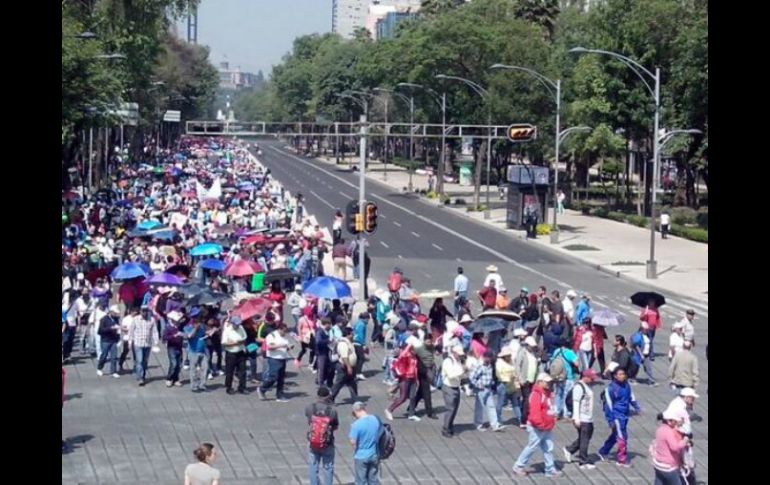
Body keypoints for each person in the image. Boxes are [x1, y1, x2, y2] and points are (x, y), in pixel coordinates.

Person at [512, 373, 562, 477]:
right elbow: (534, 413)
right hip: (537, 427)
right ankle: (518, 466)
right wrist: (540, 424)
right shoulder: (536, 394)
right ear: (540, 382)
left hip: (546, 426)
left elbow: (549, 409)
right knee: (532, 447)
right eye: (547, 382)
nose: (549, 383)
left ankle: (550, 469)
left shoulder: (546, 393)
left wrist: (551, 420)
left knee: (548, 448)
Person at [598, 367, 641, 466]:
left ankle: (603, 451)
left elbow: (631, 397)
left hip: (625, 415)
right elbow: (608, 406)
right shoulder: (610, 389)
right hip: (616, 416)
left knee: (615, 435)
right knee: (622, 437)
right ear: (615, 376)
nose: (622, 376)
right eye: (620, 374)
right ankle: (622, 459)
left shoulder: (626, 385)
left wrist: (637, 407)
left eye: (623, 374)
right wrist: (610, 420)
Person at [563, 369, 599, 470]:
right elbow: (576, 402)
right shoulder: (579, 387)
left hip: (588, 417)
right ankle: (583, 461)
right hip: (582, 417)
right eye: (591, 378)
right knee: (584, 439)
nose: (593, 380)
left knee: (586, 437)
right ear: (585, 377)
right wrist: (576, 418)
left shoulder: (587, 386)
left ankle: (570, 449)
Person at [305, 386, 339, 485]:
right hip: (327, 442)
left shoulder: (310, 407)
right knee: (328, 466)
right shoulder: (332, 410)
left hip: (313, 440)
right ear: (327, 396)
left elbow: (308, 419)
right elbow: (335, 426)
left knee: (313, 465)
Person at [652, 409, 690, 485]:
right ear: (669, 421)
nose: (676, 423)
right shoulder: (668, 432)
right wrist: (685, 440)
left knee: (659, 482)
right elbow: (675, 447)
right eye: (674, 421)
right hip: (668, 467)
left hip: (658, 464)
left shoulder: (660, 429)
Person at [470, 349, 505, 432]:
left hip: (488, 388)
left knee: (491, 406)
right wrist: (478, 385)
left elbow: (490, 375)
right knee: (480, 407)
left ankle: (495, 424)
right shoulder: (479, 366)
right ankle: (478, 423)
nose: (491, 360)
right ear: (485, 357)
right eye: (489, 358)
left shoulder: (490, 365)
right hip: (481, 389)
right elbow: (472, 377)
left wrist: (492, 383)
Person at [259, 323, 294, 402]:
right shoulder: (271, 336)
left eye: (286, 331)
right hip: (274, 359)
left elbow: (285, 347)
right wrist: (282, 345)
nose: (285, 333)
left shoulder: (284, 337)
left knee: (281, 378)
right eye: (284, 331)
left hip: (282, 358)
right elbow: (270, 347)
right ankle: (262, 389)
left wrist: (288, 347)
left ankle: (279, 395)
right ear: (279, 329)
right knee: (273, 376)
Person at [349, 401, 381, 485]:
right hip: (374, 454)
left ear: (356, 411)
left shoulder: (356, 425)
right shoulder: (375, 419)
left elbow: (353, 442)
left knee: (361, 481)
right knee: (373, 479)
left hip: (361, 455)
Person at [128, 304, 159, 386]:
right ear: (140, 311)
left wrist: (156, 342)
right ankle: (140, 377)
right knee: (139, 360)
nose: (144, 313)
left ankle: (143, 374)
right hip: (138, 343)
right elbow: (131, 331)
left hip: (147, 344)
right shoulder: (135, 319)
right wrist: (129, 342)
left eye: (146, 311)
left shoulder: (151, 320)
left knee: (145, 361)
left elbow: (155, 331)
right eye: (143, 311)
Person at [441, 344, 467, 437]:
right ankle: (446, 429)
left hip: (456, 386)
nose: (460, 355)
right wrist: (462, 372)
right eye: (458, 354)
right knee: (450, 409)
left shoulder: (458, 361)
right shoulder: (448, 361)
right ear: (453, 352)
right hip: (449, 387)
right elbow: (451, 375)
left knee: (455, 409)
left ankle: (450, 426)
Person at [330, 327, 359, 404]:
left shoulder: (349, 342)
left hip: (350, 366)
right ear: (348, 334)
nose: (353, 335)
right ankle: (330, 398)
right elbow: (344, 356)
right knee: (339, 383)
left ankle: (355, 398)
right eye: (352, 333)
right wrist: (349, 367)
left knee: (352, 382)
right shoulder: (343, 344)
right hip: (344, 367)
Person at [515, 336, 540, 428]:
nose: (532, 347)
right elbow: (517, 366)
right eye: (531, 346)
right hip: (525, 380)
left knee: (530, 399)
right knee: (526, 400)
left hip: (532, 379)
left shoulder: (533, 354)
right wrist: (520, 379)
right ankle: (524, 420)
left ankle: (528, 417)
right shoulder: (522, 353)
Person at [495, 347, 522, 425]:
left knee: (515, 403)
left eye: (510, 355)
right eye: (508, 355)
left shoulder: (511, 362)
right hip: (503, 384)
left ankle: (520, 419)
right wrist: (509, 376)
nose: (509, 357)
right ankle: (498, 419)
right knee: (500, 403)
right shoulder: (499, 363)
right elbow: (499, 374)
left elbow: (514, 371)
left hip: (512, 384)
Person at [221, 316, 248, 395]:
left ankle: (242, 387)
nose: (238, 326)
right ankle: (229, 387)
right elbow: (224, 343)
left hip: (240, 352)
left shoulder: (241, 328)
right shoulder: (227, 331)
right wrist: (235, 343)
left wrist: (241, 341)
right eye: (236, 324)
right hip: (231, 353)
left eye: (238, 324)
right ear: (232, 323)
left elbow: (244, 337)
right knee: (230, 371)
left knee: (243, 371)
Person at [96, 305, 122, 378]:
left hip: (113, 340)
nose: (116, 314)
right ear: (111, 312)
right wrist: (110, 328)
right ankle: (99, 368)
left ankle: (113, 371)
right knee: (104, 355)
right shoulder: (104, 319)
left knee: (114, 356)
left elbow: (118, 329)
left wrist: (118, 337)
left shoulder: (116, 319)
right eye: (115, 313)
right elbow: (100, 331)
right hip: (105, 340)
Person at [186, 316, 209, 393]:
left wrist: (211, 332)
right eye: (196, 323)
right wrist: (195, 329)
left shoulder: (202, 328)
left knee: (205, 368)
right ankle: (194, 386)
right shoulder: (188, 328)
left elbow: (205, 334)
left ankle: (202, 385)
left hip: (202, 351)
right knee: (193, 369)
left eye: (199, 323)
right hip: (193, 352)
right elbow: (189, 336)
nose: (198, 325)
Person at [162, 312, 186, 387]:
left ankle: (176, 379)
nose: (178, 321)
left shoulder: (180, 326)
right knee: (173, 363)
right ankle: (169, 378)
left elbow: (187, 319)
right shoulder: (168, 327)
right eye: (177, 320)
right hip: (172, 347)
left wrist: (182, 314)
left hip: (179, 347)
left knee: (179, 364)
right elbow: (164, 338)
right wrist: (174, 336)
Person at [352, 312, 368, 380]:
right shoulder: (362, 325)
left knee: (357, 358)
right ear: (365, 318)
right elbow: (361, 335)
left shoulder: (357, 323)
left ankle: (355, 372)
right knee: (361, 358)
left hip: (354, 342)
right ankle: (358, 373)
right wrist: (363, 344)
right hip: (359, 343)